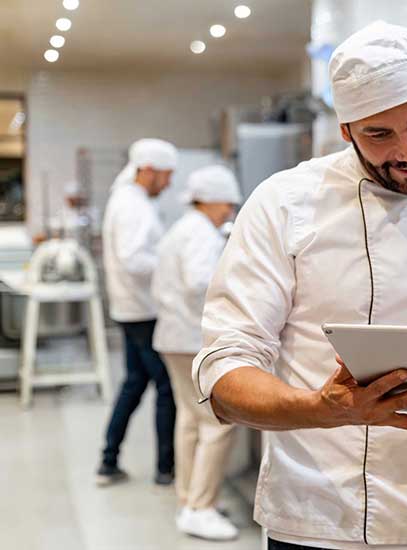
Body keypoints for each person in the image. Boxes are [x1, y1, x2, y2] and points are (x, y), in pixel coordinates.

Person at [193, 21, 407, 550]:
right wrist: (323, 407)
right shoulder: (285, 202)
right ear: (346, 132)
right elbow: (225, 368)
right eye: (379, 134)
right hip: (315, 522)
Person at [152, 166, 242, 541]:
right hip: (190, 339)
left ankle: (190, 499)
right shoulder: (201, 233)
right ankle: (201, 508)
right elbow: (199, 283)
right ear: (214, 199)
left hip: (173, 337)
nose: (229, 211)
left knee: (190, 421)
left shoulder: (185, 227)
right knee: (219, 422)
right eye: (228, 205)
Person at [97, 138, 178, 487]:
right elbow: (134, 260)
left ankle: (108, 460)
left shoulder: (128, 199)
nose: (169, 183)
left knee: (133, 384)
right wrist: (172, 264)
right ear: (147, 170)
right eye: (166, 176)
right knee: (167, 388)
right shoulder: (133, 205)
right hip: (142, 312)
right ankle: (166, 469)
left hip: (129, 309)